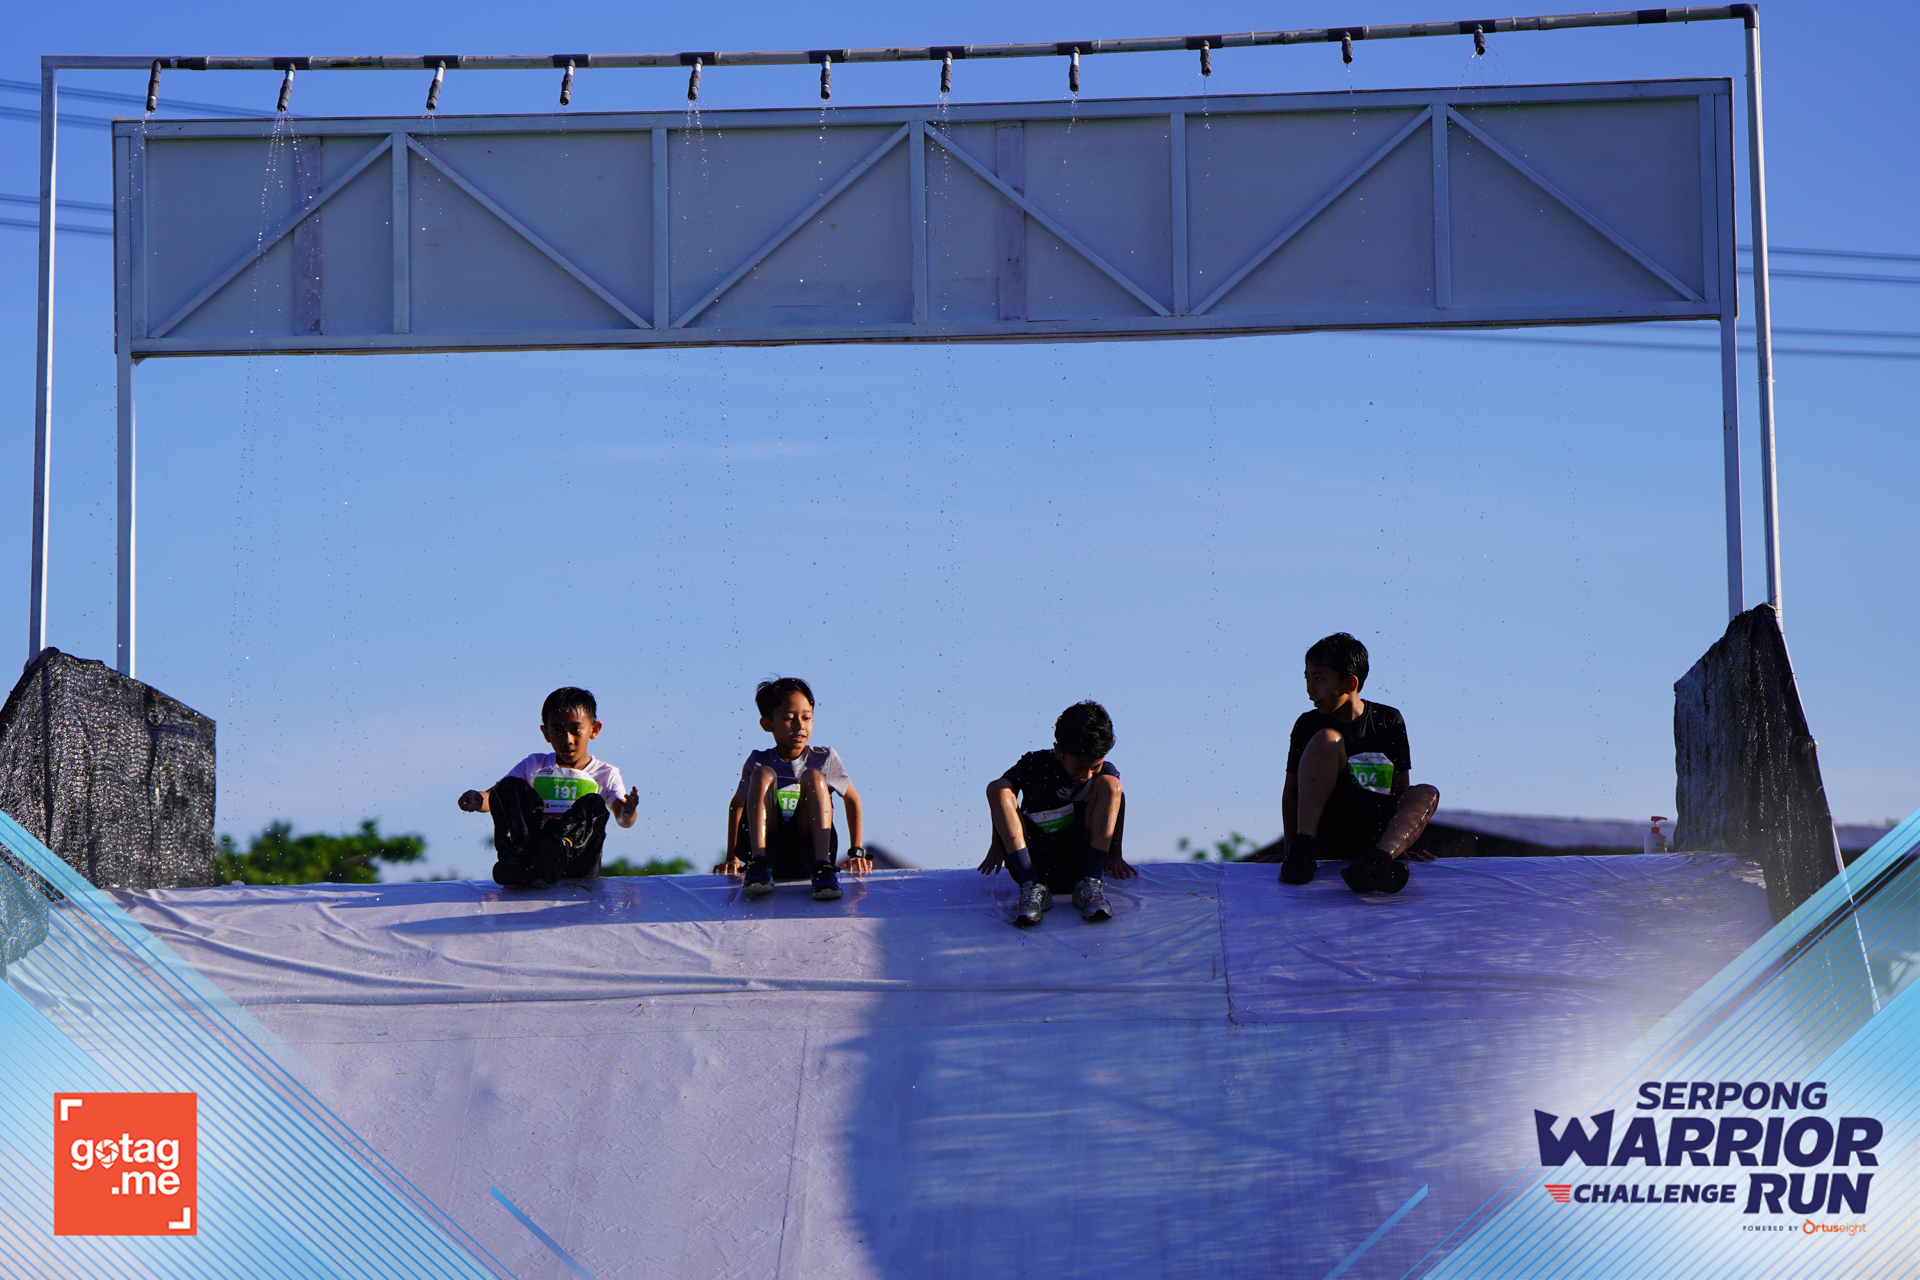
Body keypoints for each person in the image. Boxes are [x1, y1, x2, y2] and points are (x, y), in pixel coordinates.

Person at [1267, 633, 1440, 894]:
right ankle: (1303, 851)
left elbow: (1400, 791)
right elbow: (1292, 791)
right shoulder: (1308, 725)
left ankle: (1377, 862)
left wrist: (1400, 846)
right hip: (1326, 835)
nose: (1310, 688)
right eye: (1307, 678)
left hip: (1371, 839)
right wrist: (1290, 849)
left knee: (1427, 792)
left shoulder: (1388, 720)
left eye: (1319, 679)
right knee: (1328, 738)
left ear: (1350, 683)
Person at [458, 687, 639, 887]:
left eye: (575, 729)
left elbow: (623, 818)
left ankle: (561, 848)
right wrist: (478, 799)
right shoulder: (534, 765)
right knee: (510, 786)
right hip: (536, 853)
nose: (567, 739)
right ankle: (517, 859)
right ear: (546, 733)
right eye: (558, 731)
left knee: (594, 803)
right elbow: (497, 796)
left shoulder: (606, 773)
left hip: (577, 860)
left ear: (594, 730)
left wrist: (627, 812)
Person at [979, 700, 1136, 927]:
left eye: (1095, 766)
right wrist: (996, 845)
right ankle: (1031, 887)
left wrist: (1115, 854)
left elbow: (1117, 803)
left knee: (1112, 786)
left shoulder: (1104, 776)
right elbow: (1000, 799)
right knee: (998, 787)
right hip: (1033, 863)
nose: (1087, 775)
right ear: (1059, 751)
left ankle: (1091, 884)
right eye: (1079, 767)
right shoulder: (1034, 764)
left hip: (1081, 863)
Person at [723, 677, 869, 902]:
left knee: (813, 776)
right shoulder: (758, 761)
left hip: (808, 849)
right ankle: (758, 865)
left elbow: (852, 800)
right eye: (789, 718)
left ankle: (823, 868)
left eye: (806, 717)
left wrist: (856, 851)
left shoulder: (824, 758)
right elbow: (737, 805)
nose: (800, 725)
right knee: (763, 774)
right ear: (767, 724)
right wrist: (731, 857)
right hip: (771, 848)